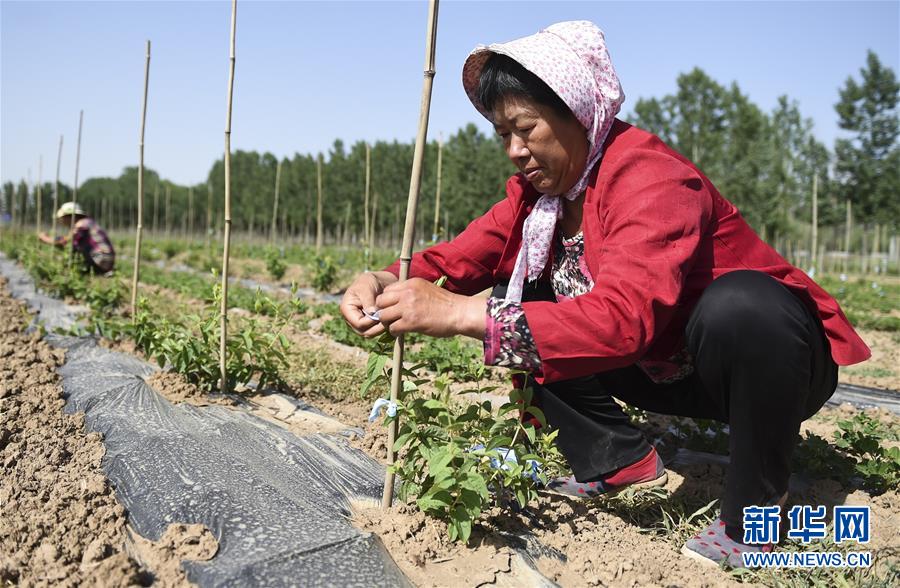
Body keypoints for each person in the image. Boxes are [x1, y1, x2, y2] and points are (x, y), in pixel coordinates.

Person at [340, 21, 870, 567]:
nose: (515, 150)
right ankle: (616, 458)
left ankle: (756, 513)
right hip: (660, 372)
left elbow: (624, 319)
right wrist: (382, 279)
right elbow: (456, 260)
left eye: (526, 128)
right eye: (503, 135)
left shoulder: (649, 177)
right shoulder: (540, 201)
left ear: (576, 111)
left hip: (765, 365)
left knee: (741, 306)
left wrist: (465, 315)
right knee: (520, 287)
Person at [39, 202, 115, 274]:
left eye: (62, 218)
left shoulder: (81, 225)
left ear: (70, 216)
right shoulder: (87, 222)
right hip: (105, 261)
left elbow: (65, 242)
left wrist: (45, 238)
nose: (61, 221)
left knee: (72, 249)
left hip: (101, 261)